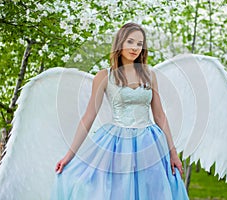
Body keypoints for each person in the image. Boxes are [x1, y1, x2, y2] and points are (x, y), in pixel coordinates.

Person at [50, 22, 189, 200]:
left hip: (149, 144)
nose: (135, 48)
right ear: (120, 43)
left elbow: (160, 116)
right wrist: (69, 156)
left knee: (154, 191)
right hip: (117, 145)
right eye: (130, 42)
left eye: (140, 44)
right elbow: (89, 116)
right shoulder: (104, 76)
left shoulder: (149, 74)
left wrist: (173, 153)